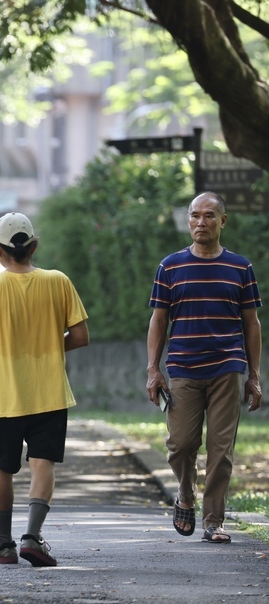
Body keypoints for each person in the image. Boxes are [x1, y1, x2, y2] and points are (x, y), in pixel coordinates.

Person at [0, 212, 89, 567]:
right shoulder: (58, 282)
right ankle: (33, 537)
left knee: (1, 465)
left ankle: (3, 542)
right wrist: (47, 343)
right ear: (34, 246)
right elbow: (80, 336)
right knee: (42, 462)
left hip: (2, 396)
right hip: (48, 392)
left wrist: (1, 351)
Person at [146, 191, 262, 544]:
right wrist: (153, 369)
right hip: (182, 368)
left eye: (209, 216)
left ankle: (213, 520)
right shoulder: (171, 266)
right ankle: (185, 492)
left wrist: (254, 376)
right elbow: (158, 320)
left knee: (220, 448)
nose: (201, 222)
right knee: (180, 444)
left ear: (222, 221)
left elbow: (252, 324)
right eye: (195, 215)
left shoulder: (241, 268)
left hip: (228, 367)